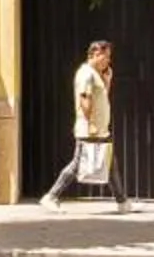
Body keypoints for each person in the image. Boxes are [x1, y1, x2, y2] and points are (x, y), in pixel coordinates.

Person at [42, 38, 132, 212]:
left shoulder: (96, 74)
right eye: (105, 56)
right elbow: (85, 99)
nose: (108, 60)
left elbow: (101, 98)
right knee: (77, 165)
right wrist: (90, 124)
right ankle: (51, 196)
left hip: (100, 130)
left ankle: (122, 202)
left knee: (111, 163)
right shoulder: (86, 73)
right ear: (95, 54)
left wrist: (107, 82)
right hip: (90, 130)